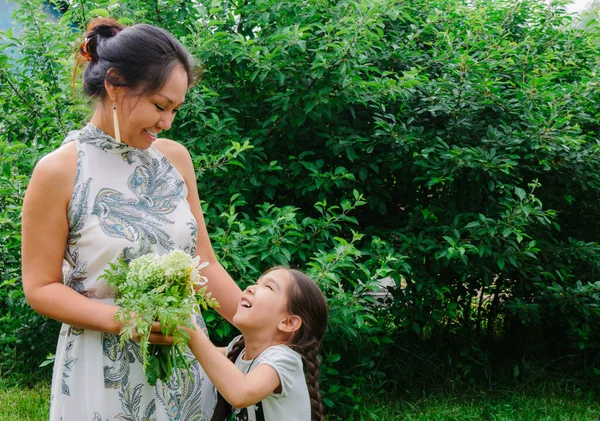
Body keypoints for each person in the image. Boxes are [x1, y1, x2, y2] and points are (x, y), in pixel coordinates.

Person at [21, 18, 242, 421]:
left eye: (175, 109)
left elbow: (204, 263)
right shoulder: (59, 171)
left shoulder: (175, 159)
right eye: (160, 106)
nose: (167, 123)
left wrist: (265, 327)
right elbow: (40, 286)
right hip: (103, 373)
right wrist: (127, 321)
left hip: (185, 364)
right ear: (115, 85)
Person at [185, 266, 328, 421]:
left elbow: (241, 393)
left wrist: (191, 331)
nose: (250, 288)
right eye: (256, 282)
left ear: (288, 322)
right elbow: (201, 356)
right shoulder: (240, 349)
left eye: (268, 287)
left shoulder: (285, 359)